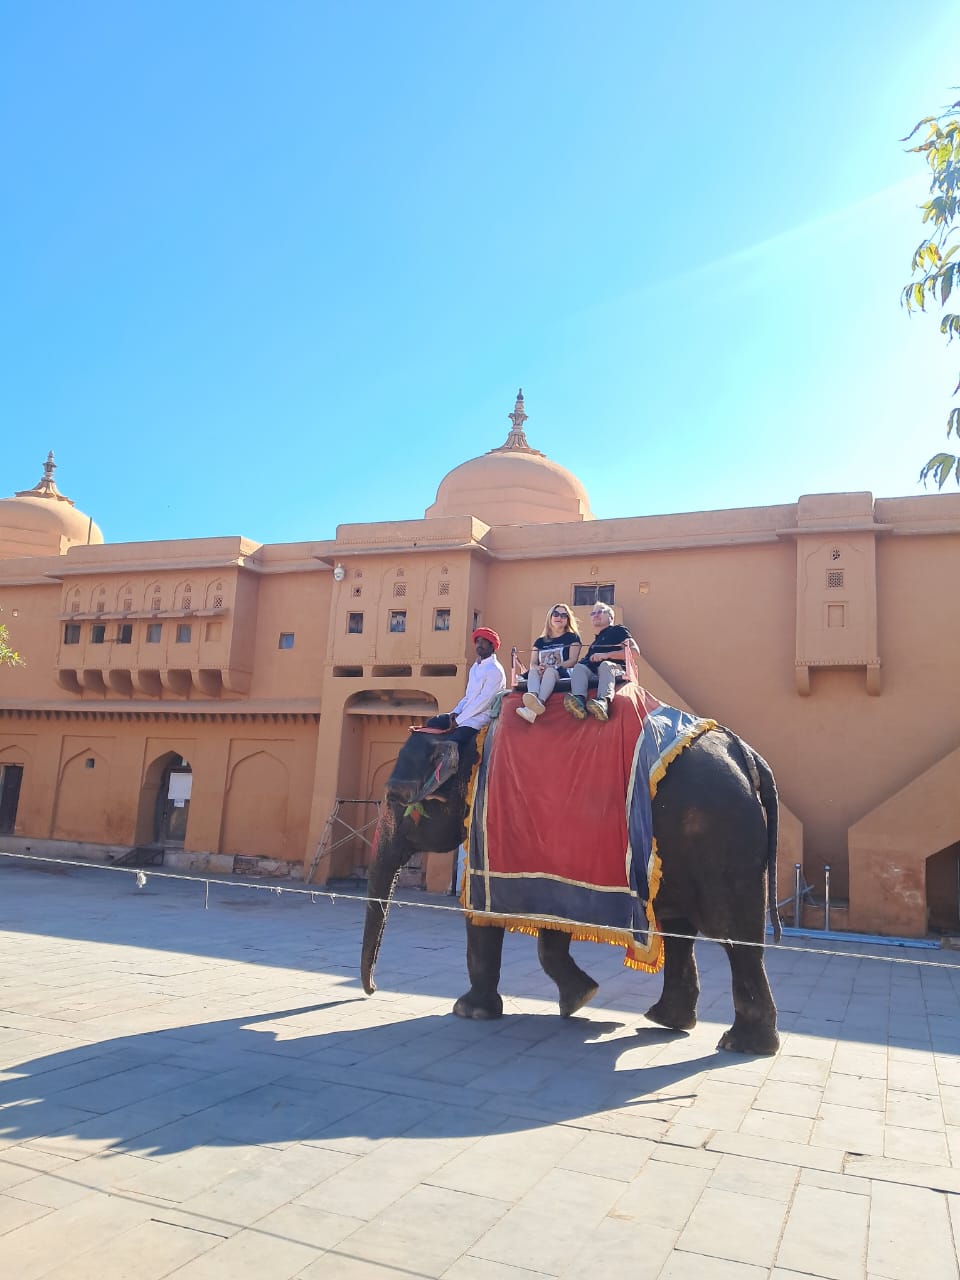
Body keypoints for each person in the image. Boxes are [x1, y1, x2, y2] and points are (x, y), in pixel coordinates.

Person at [426, 627, 506, 747]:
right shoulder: (475, 667)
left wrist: (458, 721)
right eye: (478, 641)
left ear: (492, 645)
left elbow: (484, 702)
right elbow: (468, 696)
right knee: (432, 723)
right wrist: (455, 713)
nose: (479, 645)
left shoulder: (495, 670)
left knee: (452, 743)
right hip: (465, 713)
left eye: (483, 642)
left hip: (480, 717)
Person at [564, 602, 638, 723]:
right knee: (579, 667)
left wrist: (606, 655)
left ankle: (603, 702)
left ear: (610, 617)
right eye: (593, 613)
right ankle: (578, 702)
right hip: (595, 673)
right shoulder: (594, 644)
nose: (595, 615)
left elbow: (634, 652)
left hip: (615, 670)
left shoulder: (618, 630)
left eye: (600, 612)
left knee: (605, 665)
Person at [516, 604, 582, 724]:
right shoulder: (540, 641)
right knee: (532, 671)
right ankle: (533, 698)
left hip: (562, 673)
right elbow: (532, 663)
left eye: (563, 615)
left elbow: (573, 660)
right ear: (550, 617)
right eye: (555, 614)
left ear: (567, 619)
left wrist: (554, 667)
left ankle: (539, 702)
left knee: (550, 671)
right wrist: (539, 667)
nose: (559, 617)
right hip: (542, 673)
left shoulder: (573, 638)